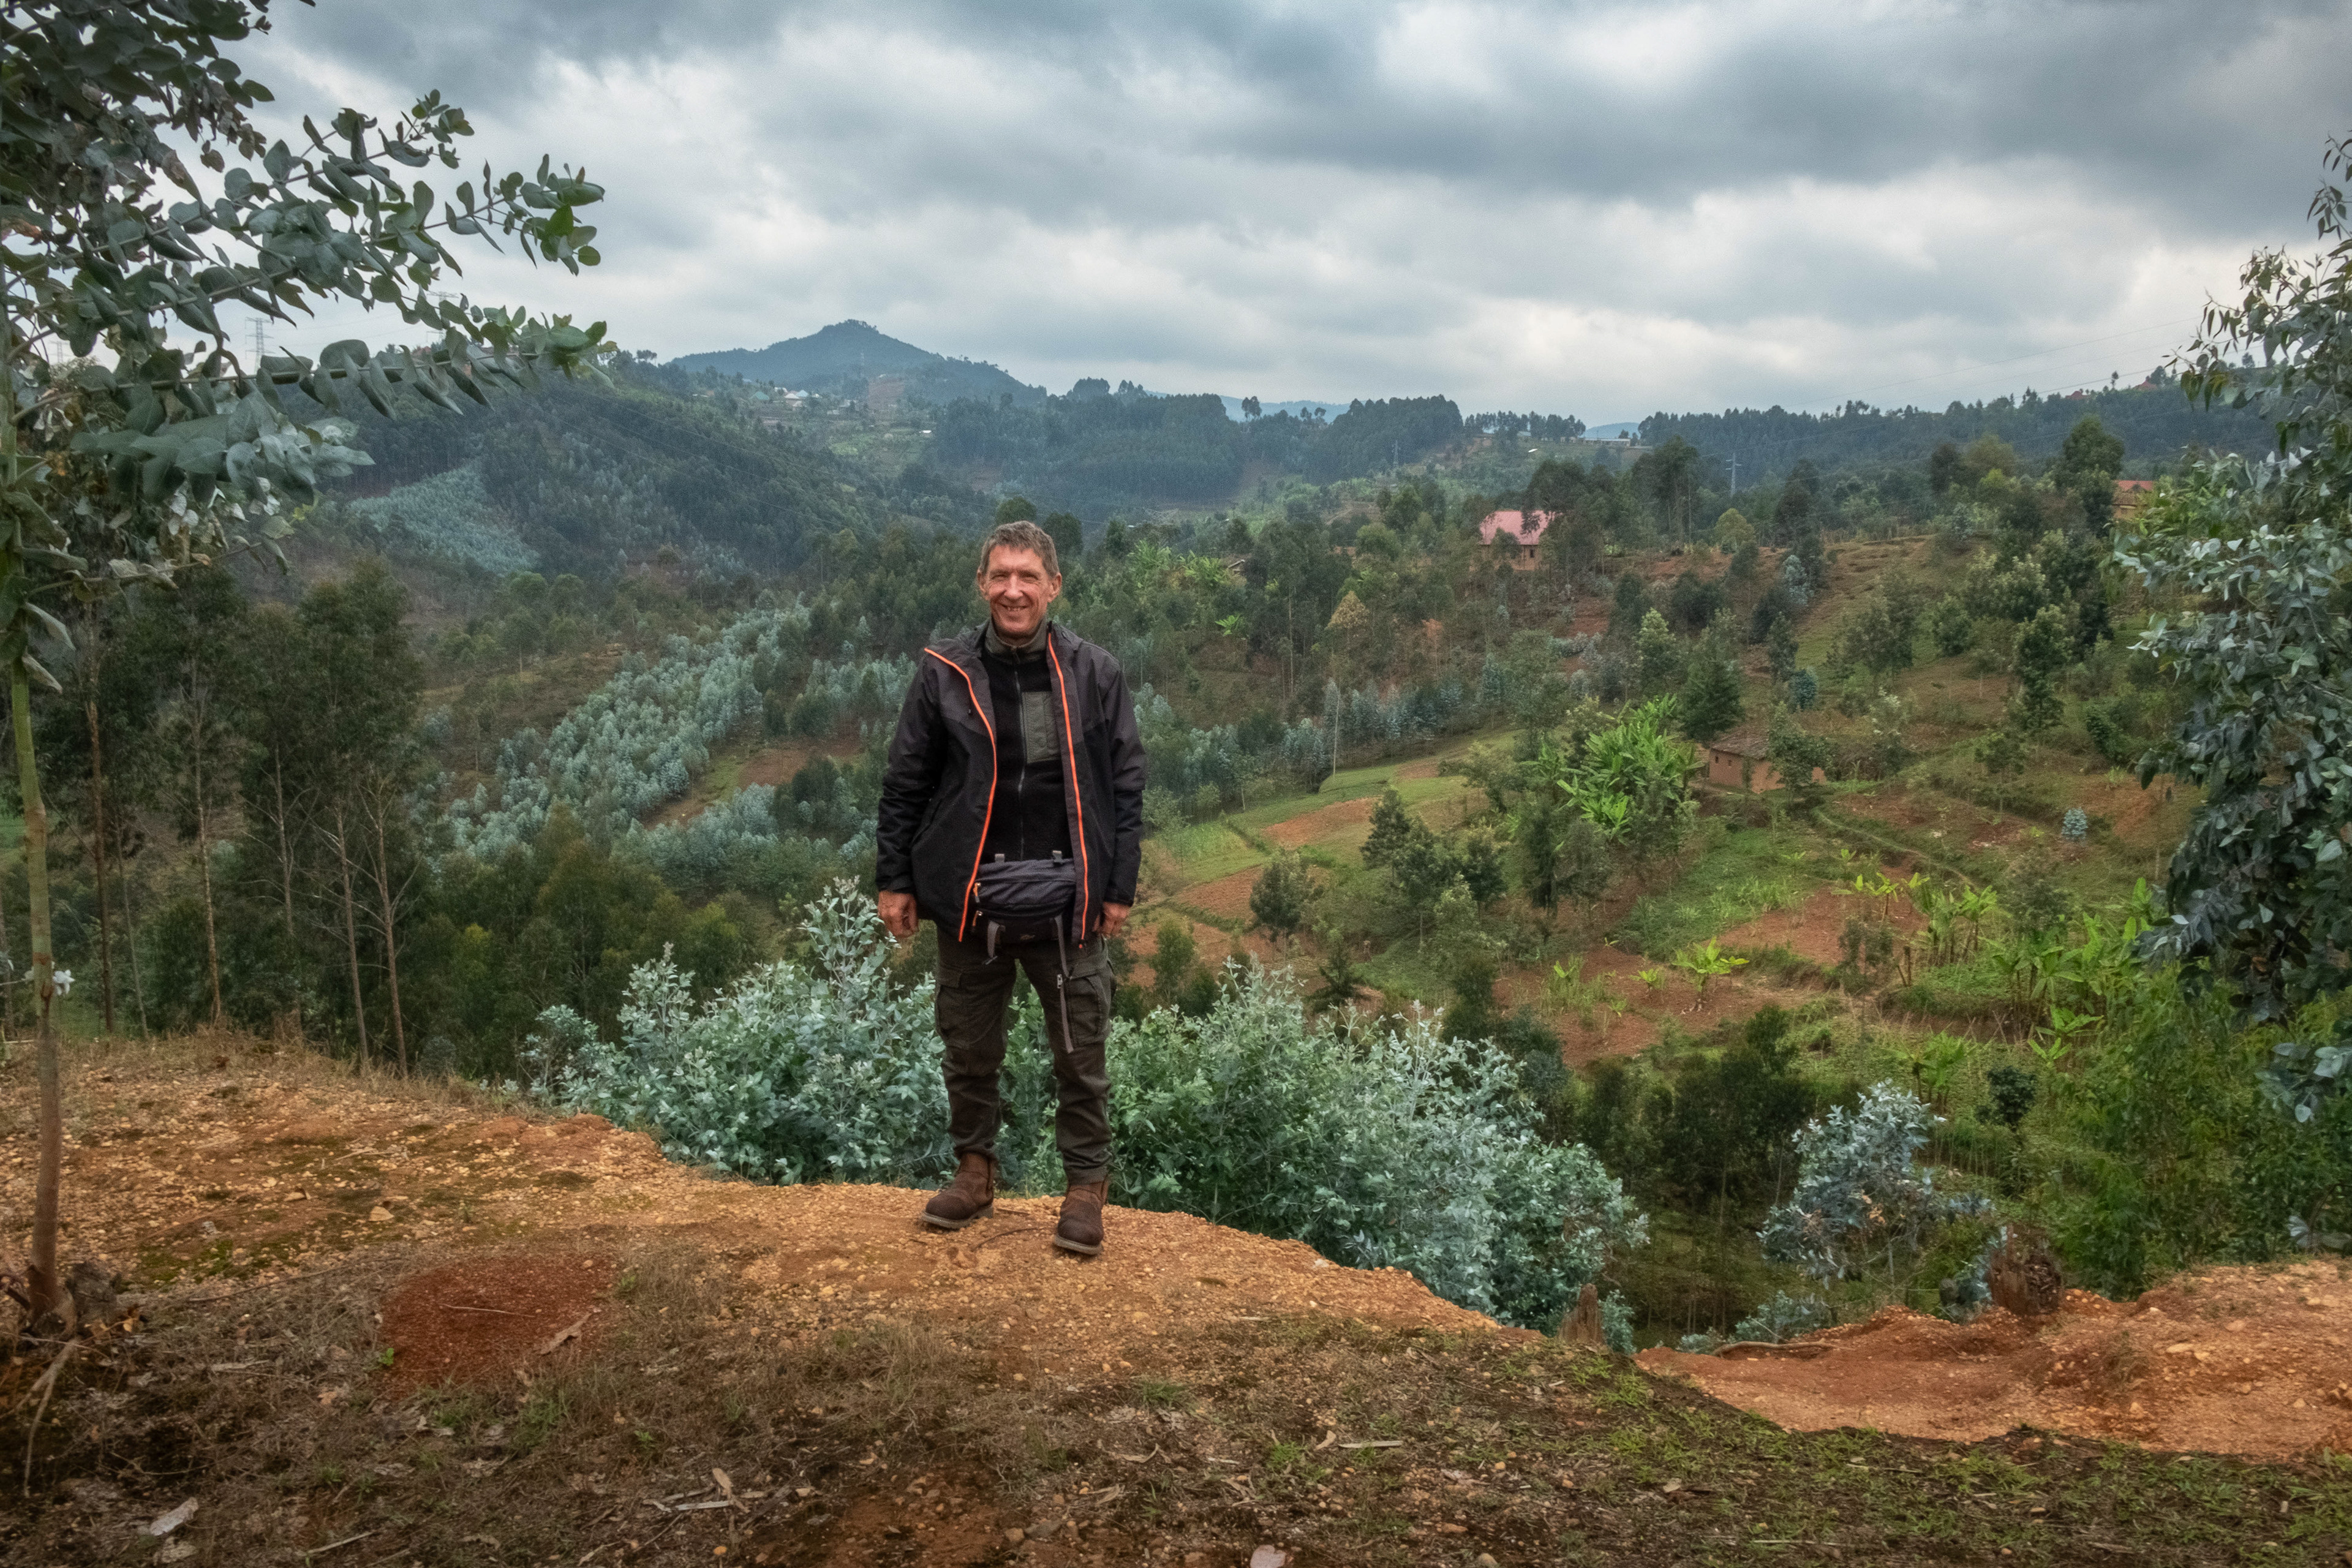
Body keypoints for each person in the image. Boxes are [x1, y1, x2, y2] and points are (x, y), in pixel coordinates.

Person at [875, 519, 1145, 1254]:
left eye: (1028, 576)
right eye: (1001, 575)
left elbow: (1126, 784)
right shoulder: (944, 672)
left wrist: (1118, 886)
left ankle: (1085, 1188)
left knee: (1080, 1054)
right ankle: (974, 1171)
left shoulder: (1094, 673)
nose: (1014, 590)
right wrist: (895, 879)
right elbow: (906, 782)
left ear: (1055, 586)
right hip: (971, 900)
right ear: (981, 583)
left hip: (1069, 901)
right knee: (968, 1047)